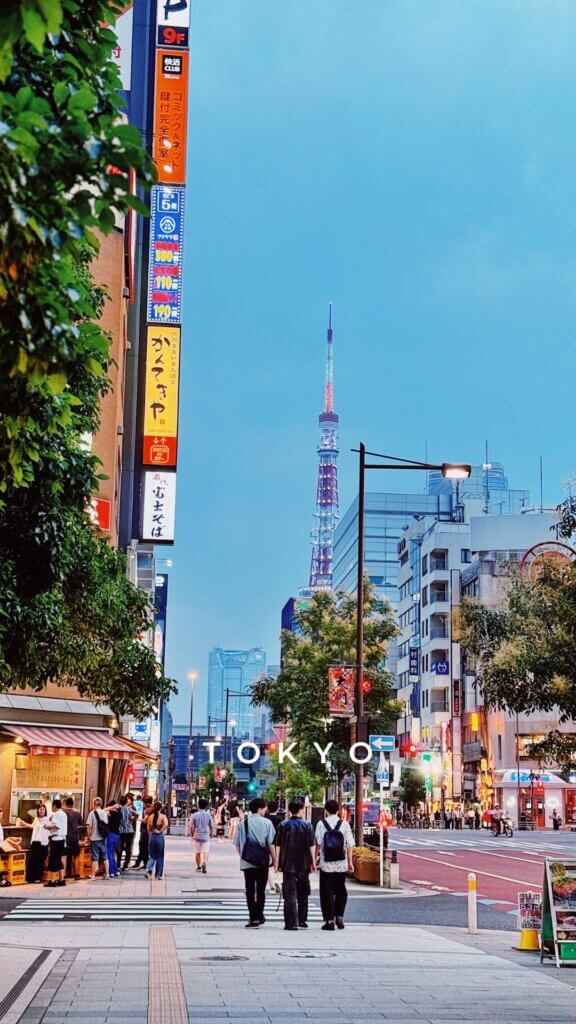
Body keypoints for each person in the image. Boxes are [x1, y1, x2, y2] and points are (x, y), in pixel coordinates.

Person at [274, 799, 316, 931]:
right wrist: (313, 862)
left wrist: (277, 863)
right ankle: (302, 920)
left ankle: (291, 923)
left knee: (290, 893)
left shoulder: (283, 824)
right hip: (304, 863)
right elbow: (312, 845)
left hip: (288, 863)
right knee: (303, 892)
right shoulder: (307, 825)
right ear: (300, 810)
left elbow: (278, 845)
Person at [234, 798, 276, 928]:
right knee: (261, 891)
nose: (265, 810)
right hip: (262, 862)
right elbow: (271, 843)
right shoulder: (267, 823)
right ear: (260, 808)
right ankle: (259, 915)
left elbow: (237, 844)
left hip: (248, 862)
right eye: (264, 808)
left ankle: (253, 917)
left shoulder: (243, 824)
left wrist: (244, 856)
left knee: (250, 890)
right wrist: (275, 860)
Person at [315, 799, 354, 931]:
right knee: (341, 891)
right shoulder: (344, 824)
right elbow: (349, 845)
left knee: (327, 893)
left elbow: (319, 844)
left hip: (326, 864)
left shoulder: (321, 824)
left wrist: (314, 859)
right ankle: (340, 916)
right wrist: (350, 863)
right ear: (338, 810)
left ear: (326, 810)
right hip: (341, 864)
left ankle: (329, 921)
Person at [19, 804, 50, 883]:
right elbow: (33, 826)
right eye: (40, 809)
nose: (41, 811)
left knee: (40, 861)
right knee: (32, 860)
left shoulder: (48, 819)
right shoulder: (36, 818)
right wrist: (24, 824)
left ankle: (37, 877)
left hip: (43, 842)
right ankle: (30, 878)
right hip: (35, 841)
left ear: (45, 811)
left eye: (43, 809)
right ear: (38, 810)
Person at [44, 798, 68, 887]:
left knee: (53, 859)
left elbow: (57, 826)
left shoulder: (56, 814)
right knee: (59, 859)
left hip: (56, 839)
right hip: (62, 839)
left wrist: (47, 826)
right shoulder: (63, 814)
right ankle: (62, 879)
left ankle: (53, 880)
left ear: (54, 806)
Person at [86, 797, 110, 880]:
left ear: (94, 804)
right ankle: (107, 874)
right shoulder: (104, 813)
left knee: (95, 857)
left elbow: (89, 826)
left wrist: (88, 836)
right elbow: (106, 824)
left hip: (94, 838)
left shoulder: (92, 813)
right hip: (103, 838)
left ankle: (93, 875)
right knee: (105, 857)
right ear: (101, 804)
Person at [145, 801, 169, 879]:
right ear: (161, 808)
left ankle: (148, 868)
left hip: (152, 837)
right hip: (159, 837)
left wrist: (149, 838)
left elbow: (148, 829)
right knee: (160, 856)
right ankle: (158, 875)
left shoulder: (150, 817)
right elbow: (166, 824)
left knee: (152, 855)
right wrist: (160, 830)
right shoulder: (162, 816)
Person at [190, 798, 212, 873]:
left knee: (197, 852)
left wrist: (192, 835)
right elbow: (211, 825)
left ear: (198, 805)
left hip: (197, 836)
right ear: (206, 806)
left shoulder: (194, 815)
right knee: (206, 851)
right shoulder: (208, 815)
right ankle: (204, 863)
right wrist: (211, 833)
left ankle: (198, 867)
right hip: (206, 836)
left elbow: (191, 827)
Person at [265, 800, 283, 893]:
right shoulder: (280, 820)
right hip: (278, 844)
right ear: (277, 809)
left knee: (268, 865)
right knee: (277, 863)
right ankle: (277, 881)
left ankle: (271, 885)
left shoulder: (265, 819)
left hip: (267, 844)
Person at [63, 797, 82, 879]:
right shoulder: (77, 812)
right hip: (75, 836)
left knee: (66, 856)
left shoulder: (63, 812)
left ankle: (67, 873)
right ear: (73, 803)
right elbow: (81, 823)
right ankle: (76, 873)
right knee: (76, 855)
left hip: (66, 837)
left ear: (66, 803)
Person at [133, 796, 154, 869]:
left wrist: (137, 819)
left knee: (143, 846)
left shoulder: (150, 810)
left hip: (146, 831)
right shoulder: (150, 808)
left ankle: (143, 863)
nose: (143, 804)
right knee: (143, 847)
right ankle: (141, 863)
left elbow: (145, 820)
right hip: (146, 830)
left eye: (144, 803)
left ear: (147, 803)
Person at [118, 795, 137, 871]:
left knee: (120, 848)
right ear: (126, 802)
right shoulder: (129, 810)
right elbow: (137, 814)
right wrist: (132, 819)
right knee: (128, 849)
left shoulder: (118, 809)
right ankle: (125, 865)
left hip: (121, 831)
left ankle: (118, 864)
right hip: (129, 831)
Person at [105, 801, 122, 877]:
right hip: (117, 835)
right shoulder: (119, 814)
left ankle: (111, 871)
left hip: (111, 835)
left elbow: (102, 810)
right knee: (112, 853)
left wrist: (112, 807)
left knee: (109, 853)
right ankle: (116, 870)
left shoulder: (112, 813)